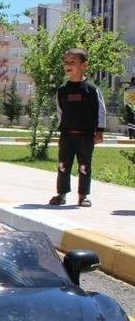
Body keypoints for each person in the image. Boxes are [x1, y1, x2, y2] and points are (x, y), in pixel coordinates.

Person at [49, 48, 106, 207]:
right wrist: (63, 128)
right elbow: (60, 111)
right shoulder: (62, 90)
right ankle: (61, 194)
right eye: (66, 62)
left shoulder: (91, 90)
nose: (68, 65)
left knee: (84, 166)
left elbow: (101, 110)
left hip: (86, 136)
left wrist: (99, 131)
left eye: (72, 62)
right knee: (63, 165)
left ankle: (83, 196)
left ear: (84, 65)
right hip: (67, 135)